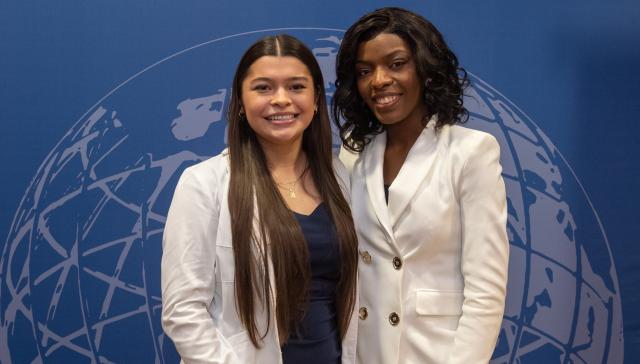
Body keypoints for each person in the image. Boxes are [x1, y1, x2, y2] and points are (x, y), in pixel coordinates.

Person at [161, 34, 359, 364]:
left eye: (296, 87)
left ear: (314, 102)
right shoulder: (203, 184)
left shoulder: (339, 177)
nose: (281, 99)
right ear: (239, 103)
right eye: (263, 88)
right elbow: (182, 311)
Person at [333, 7, 509, 364]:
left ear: (427, 71)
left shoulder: (470, 152)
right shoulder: (354, 154)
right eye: (365, 71)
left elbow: (485, 289)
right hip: (366, 352)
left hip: (434, 352)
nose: (379, 80)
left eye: (396, 64)